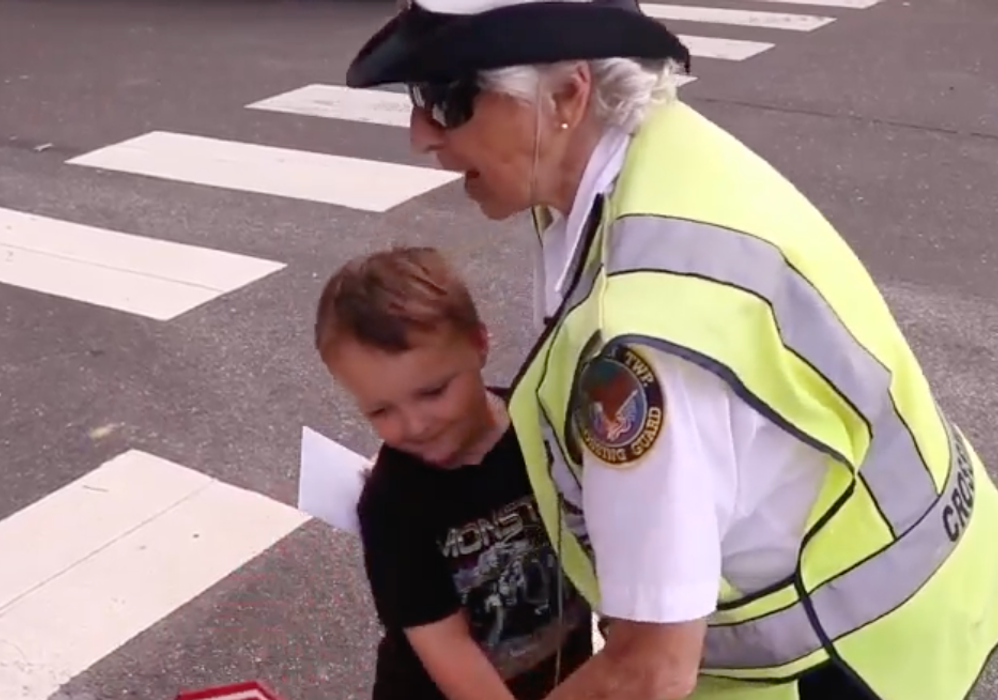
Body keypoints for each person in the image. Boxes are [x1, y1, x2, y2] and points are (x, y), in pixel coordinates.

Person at [340, 1, 998, 699]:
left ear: (567, 94)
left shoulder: (641, 350)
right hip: (920, 585)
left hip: (835, 665)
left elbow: (649, 671)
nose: (420, 135)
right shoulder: (646, 154)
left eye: (445, 98)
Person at [314, 247, 594, 700]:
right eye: (381, 410)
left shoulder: (543, 428)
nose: (415, 425)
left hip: (567, 673)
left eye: (433, 390)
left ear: (480, 343)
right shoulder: (392, 505)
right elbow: (448, 649)